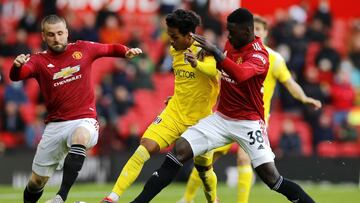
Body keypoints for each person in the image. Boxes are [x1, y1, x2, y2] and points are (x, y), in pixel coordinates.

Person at [130, 8, 316, 203]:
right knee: (179, 151)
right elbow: (217, 72)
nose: (228, 35)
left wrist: (216, 52)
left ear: (246, 31)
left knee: (273, 179)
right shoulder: (231, 43)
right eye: (227, 30)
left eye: (232, 31)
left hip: (249, 123)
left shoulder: (260, 56)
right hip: (221, 118)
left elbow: (240, 74)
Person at [178, 14, 322, 203]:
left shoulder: (272, 59)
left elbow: (289, 82)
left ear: (263, 32)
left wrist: (303, 97)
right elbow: (220, 75)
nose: (258, 33)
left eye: (261, 30)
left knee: (248, 162)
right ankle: (186, 199)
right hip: (225, 116)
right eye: (257, 30)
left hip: (252, 120)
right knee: (206, 160)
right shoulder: (234, 47)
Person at [10, 14, 143, 203]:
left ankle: (61, 196)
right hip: (55, 125)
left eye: (60, 33)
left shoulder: (83, 48)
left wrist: (126, 51)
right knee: (36, 182)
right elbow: (18, 76)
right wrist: (16, 66)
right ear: (43, 36)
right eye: (51, 35)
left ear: (66, 32)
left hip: (84, 118)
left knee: (80, 136)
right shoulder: (39, 61)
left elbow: (108, 48)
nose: (56, 38)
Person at [101, 9, 220, 203]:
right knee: (144, 147)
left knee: (205, 171)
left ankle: (213, 199)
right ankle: (112, 198)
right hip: (174, 112)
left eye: (174, 36)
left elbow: (213, 71)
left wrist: (197, 65)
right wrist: (176, 96)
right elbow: (185, 81)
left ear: (189, 35)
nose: (170, 41)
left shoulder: (205, 50)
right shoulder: (175, 50)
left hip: (200, 121)